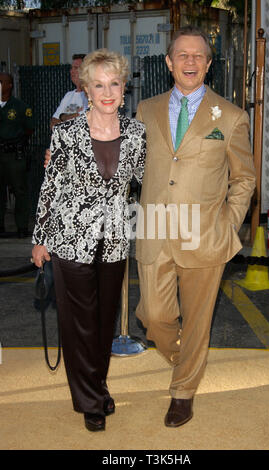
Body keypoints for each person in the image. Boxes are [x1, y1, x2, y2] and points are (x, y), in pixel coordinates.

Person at [135, 27, 256, 427]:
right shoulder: (146, 110)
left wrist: (229, 222)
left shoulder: (232, 116)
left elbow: (244, 179)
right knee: (153, 315)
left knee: (199, 318)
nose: (189, 62)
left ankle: (183, 391)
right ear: (168, 62)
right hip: (154, 228)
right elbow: (126, 165)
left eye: (198, 56)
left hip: (205, 233)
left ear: (208, 64)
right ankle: (182, 354)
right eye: (181, 55)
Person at [32, 49, 146, 432]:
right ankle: (90, 402)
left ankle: (97, 383)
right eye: (98, 84)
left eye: (114, 83)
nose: (107, 91)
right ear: (86, 90)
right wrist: (39, 238)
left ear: (124, 88)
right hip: (69, 240)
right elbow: (50, 188)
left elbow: (152, 179)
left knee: (102, 321)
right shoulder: (65, 133)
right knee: (79, 323)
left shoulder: (136, 134)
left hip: (114, 240)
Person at [0, 72, 35, 238]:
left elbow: (29, 128)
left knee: (20, 190)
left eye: (1, 82)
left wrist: (19, 142)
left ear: (9, 85)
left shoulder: (20, 107)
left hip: (13, 154)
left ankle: (21, 227)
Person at [50, 53, 88, 129]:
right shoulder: (68, 95)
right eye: (71, 68)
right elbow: (53, 123)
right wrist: (74, 116)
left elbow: (86, 118)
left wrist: (63, 117)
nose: (72, 71)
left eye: (76, 68)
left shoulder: (91, 95)